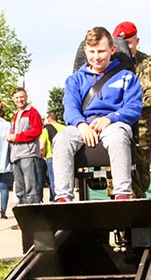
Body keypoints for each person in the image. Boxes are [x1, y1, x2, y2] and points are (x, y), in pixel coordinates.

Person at [53, 27, 142, 202]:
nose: (96, 56)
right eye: (92, 51)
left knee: (118, 136)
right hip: (83, 125)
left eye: (101, 51)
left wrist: (111, 118)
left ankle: (122, 194)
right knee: (61, 138)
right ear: (85, 51)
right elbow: (70, 108)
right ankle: (63, 198)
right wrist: (81, 124)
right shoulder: (74, 80)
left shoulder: (127, 77)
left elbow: (133, 108)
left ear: (112, 50)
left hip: (114, 123)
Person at [112, 21, 151, 198]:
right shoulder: (110, 66)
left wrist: (127, 111)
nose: (125, 47)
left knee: (137, 182)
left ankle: (136, 223)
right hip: (113, 130)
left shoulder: (148, 64)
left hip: (140, 132)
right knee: (115, 182)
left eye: (128, 42)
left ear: (137, 41)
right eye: (120, 44)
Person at [6, 87, 43, 205]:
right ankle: (22, 214)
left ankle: (34, 214)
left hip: (29, 154)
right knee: (19, 188)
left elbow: (36, 131)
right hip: (16, 155)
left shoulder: (33, 112)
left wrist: (17, 137)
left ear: (26, 97)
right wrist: (11, 137)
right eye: (17, 98)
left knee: (31, 188)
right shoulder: (16, 114)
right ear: (13, 100)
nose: (19, 100)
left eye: (22, 97)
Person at [38, 111, 64, 203]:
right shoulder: (64, 128)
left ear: (48, 119)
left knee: (53, 180)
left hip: (50, 156)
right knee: (62, 179)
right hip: (63, 156)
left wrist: (43, 155)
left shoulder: (45, 130)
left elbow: (41, 146)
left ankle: (54, 199)